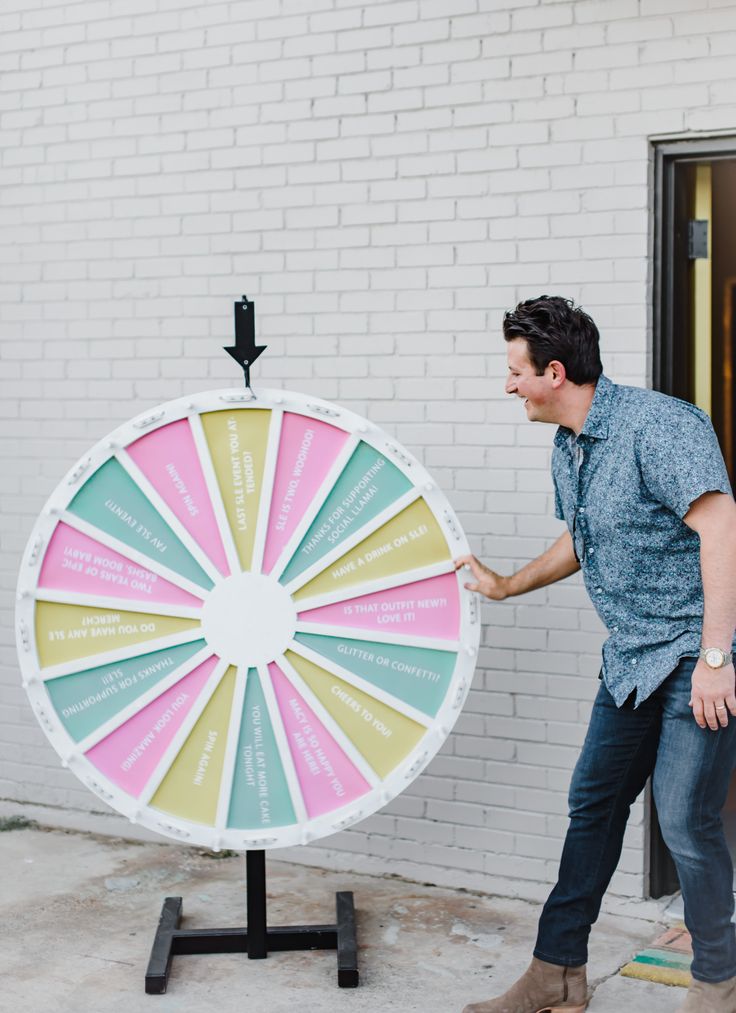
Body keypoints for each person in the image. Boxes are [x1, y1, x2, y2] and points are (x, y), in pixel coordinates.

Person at [456, 296, 736, 1013]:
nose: (509, 385)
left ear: (554, 371)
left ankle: (716, 983)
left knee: (685, 822)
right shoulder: (570, 445)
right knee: (593, 805)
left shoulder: (661, 425)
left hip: (691, 656)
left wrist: (715, 658)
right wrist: (507, 584)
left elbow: (721, 526)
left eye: (515, 371)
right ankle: (557, 973)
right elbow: (583, 541)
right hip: (630, 662)